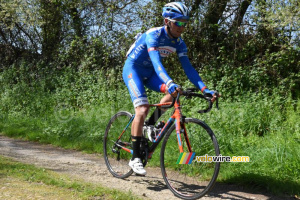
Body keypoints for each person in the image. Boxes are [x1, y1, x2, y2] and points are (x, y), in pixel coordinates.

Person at [122, 2, 218, 175]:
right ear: (167, 21)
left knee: (173, 95)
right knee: (142, 108)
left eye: (185, 23)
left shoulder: (179, 43)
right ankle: (135, 158)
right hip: (133, 70)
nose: (182, 27)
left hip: (150, 73)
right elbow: (157, 62)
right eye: (178, 22)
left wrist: (205, 89)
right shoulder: (154, 35)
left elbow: (189, 69)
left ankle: (149, 126)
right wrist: (169, 82)